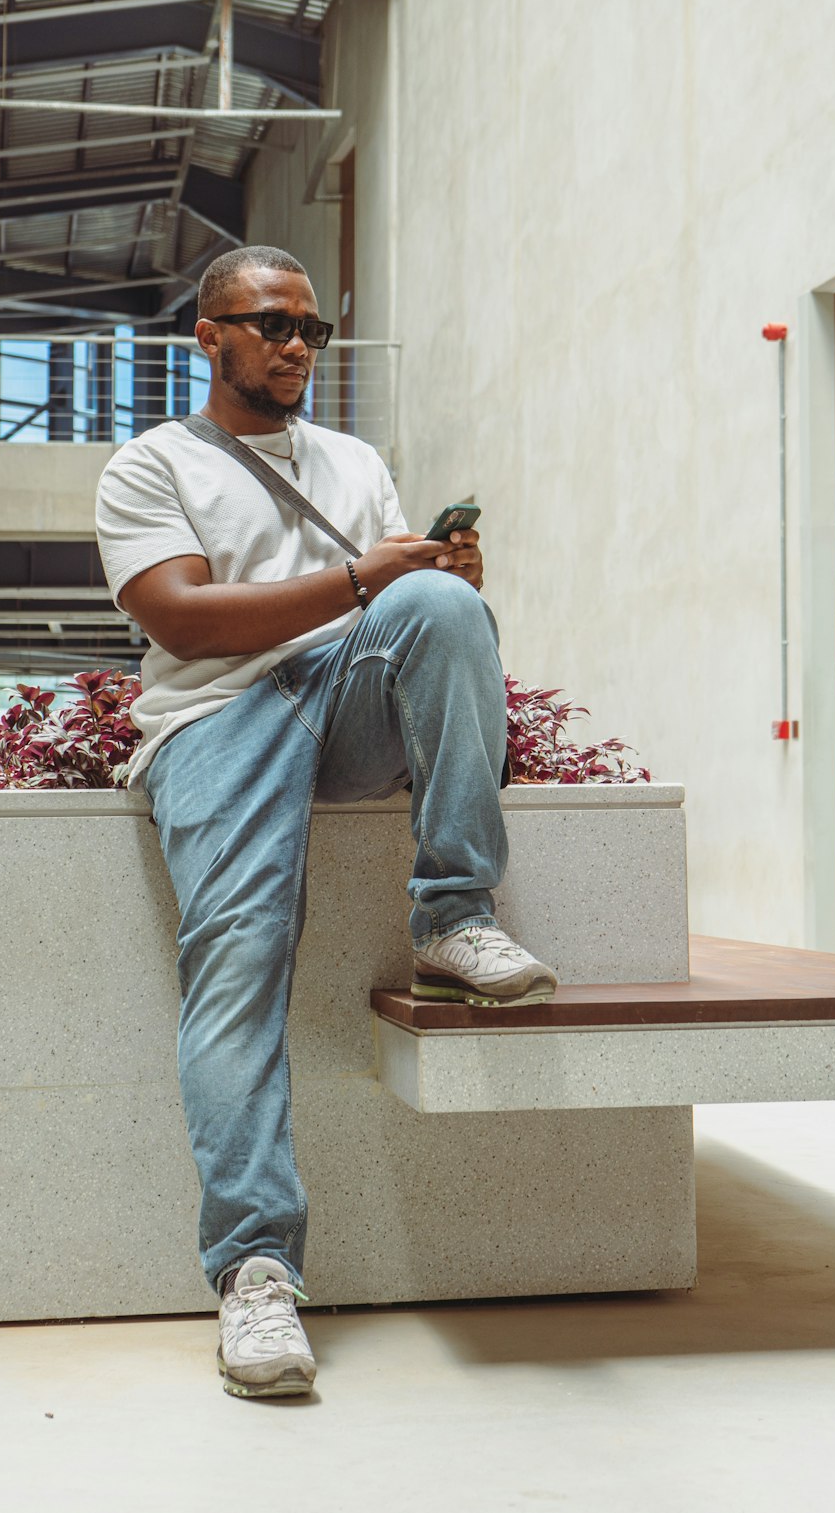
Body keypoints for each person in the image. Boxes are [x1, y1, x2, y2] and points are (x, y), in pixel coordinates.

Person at [95, 245, 558, 1399]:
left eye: (312, 327)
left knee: (446, 603)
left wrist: (435, 578)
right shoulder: (149, 466)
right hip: (215, 719)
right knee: (238, 965)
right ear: (210, 337)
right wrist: (363, 580)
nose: (296, 345)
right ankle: (255, 1271)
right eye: (269, 324)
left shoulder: (353, 463)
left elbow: (404, 612)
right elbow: (186, 622)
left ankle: (453, 914)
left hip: (343, 703)